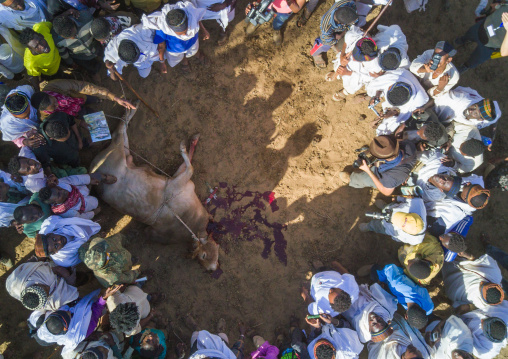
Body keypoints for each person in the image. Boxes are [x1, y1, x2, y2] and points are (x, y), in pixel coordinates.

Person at [36, 286, 118, 355]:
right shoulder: (80, 331)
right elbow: (96, 312)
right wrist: (103, 298)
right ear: (67, 329)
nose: (68, 311)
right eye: (69, 315)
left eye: (62, 311)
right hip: (88, 308)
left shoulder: (44, 322)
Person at [142, 2, 210, 74]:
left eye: (186, 30)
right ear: (171, 29)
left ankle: (198, 54)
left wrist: (204, 30)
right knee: (178, 57)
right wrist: (162, 62)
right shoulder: (162, 27)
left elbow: (197, 18)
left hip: (192, 42)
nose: (185, 35)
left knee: (193, 50)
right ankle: (184, 61)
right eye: (181, 34)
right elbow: (161, 47)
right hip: (175, 51)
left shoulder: (190, 13)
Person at [339, 135, 417, 196]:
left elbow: (386, 192)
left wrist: (368, 171)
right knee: (372, 161)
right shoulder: (408, 146)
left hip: (384, 176)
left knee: (365, 179)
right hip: (392, 165)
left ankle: (352, 179)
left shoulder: (391, 177)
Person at [31, 78, 135, 121]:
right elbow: (65, 123)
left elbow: (84, 87)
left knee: (92, 98)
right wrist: (80, 124)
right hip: (74, 114)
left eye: (54, 101)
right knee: (92, 116)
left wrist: (115, 98)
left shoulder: (55, 86)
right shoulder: (45, 117)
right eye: (53, 107)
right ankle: (89, 111)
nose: (57, 105)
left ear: (49, 94)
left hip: (78, 98)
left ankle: (96, 100)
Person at [364, 68, 430, 135]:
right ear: (390, 87)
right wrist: (377, 95)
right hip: (404, 77)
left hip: (411, 98)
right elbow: (380, 86)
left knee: (397, 121)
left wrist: (393, 113)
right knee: (371, 91)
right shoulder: (396, 76)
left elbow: (404, 114)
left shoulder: (420, 99)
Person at [433, 87, 501, 149]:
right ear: (477, 102)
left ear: (480, 119)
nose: (471, 110)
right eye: (474, 106)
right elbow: (436, 99)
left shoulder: (492, 115)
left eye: (475, 113)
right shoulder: (455, 102)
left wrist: (491, 138)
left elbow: (494, 120)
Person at [373, 264, 434, 329]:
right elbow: (390, 267)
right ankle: (373, 267)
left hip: (412, 283)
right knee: (374, 276)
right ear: (406, 316)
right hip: (400, 273)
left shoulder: (429, 308)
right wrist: (380, 279)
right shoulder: (397, 285)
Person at [329, 30, 383, 101]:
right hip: (347, 63)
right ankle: (338, 73)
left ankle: (346, 91)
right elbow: (345, 43)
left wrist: (348, 73)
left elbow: (367, 77)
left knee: (352, 86)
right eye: (354, 55)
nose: (353, 59)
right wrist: (342, 56)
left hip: (357, 74)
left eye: (357, 59)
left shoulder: (375, 65)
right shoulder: (354, 36)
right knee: (338, 63)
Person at [5, 261, 78, 312]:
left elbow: (58, 269)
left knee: (72, 276)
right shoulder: (36, 303)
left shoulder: (43, 274)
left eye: (44, 287)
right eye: (46, 291)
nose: (48, 288)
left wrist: (69, 280)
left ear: (36, 284)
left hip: (54, 271)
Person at [38, 173, 117, 219]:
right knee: (96, 203)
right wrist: (93, 213)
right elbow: (81, 217)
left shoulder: (60, 183)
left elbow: (75, 179)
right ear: (55, 202)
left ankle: (103, 177)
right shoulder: (65, 211)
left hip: (82, 189)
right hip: (86, 205)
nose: (62, 191)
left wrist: (90, 180)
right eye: (59, 195)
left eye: (58, 189)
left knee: (91, 176)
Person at [455, 5, 508, 73]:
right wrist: (497, 4)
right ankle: (463, 40)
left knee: (475, 60)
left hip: (489, 47)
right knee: (468, 35)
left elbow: (504, 52)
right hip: (481, 27)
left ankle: (466, 66)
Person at [425, 181, 490, 236]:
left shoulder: (451, 214)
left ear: (465, 198)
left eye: (469, 186)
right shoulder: (466, 199)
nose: (468, 183)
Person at [34, 215, 101, 267]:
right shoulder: (65, 260)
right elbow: (80, 256)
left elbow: (62, 218)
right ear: (55, 252)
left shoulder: (50, 223)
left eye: (54, 239)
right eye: (56, 246)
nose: (59, 241)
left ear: (50, 234)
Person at [309, 0, 358, 69]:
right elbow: (327, 40)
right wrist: (337, 37)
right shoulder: (326, 26)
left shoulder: (346, 3)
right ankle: (316, 53)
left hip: (341, 29)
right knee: (324, 43)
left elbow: (354, 20)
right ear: (341, 23)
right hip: (330, 34)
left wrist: (342, 33)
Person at [52, 9, 103, 75]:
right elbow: (63, 52)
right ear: (60, 35)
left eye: (74, 33)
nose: (74, 37)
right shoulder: (56, 39)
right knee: (93, 70)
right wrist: (70, 62)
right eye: (69, 38)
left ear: (73, 22)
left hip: (96, 47)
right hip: (80, 57)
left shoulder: (86, 18)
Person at [359, 196, 426, 245]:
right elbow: (409, 198)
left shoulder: (414, 240)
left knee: (378, 226)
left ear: (405, 231)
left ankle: (369, 226)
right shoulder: (418, 205)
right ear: (413, 214)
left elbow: (397, 238)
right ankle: (384, 207)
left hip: (388, 227)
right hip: (394, 208)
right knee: (388, 207)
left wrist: (393, 234)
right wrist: (398, 198)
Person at [367, 312, 435, 359]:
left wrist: (380, 332)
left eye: (411, 351)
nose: (415, 348)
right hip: (397, 316)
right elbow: (428, 349)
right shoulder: (425, 354)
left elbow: (374, 345)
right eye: (418, 351)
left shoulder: (384, 355)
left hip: (376, 323)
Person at [18, 22, 62, 90]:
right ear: (30, 49)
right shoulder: (30, 62)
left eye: (40, 40)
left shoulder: (42, 27)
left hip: (61, 58)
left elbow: (54, 23)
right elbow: (33, 76)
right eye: (36, 47)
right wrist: (37, 91)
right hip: (52, 73)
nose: (42, 46)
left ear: (41, 35)